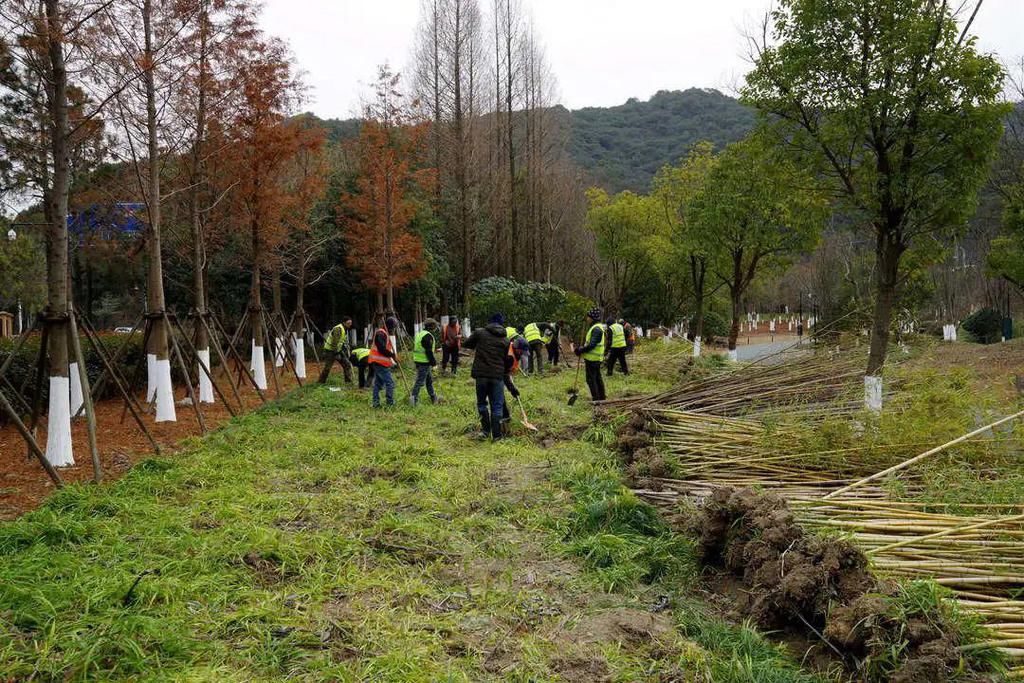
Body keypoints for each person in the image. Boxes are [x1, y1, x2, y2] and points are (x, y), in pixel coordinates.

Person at [464, 313, 510, 440]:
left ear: (490, 322)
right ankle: (496, 436)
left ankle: (485, 431)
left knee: (482, 404)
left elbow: (466, 344)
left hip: (481, 375)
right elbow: (506, 360)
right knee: (497, 405)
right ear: (501, 324)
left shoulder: (480, 333)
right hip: (497, 376)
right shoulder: (506, 340)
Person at [573, 308, 607, 401]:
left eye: (588, 317)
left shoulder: (596, 329)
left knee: (591, 380)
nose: (587, 319)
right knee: (597, 378)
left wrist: (580, 350)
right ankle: (602, 398)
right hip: (594, 359)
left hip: (593, 359)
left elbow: (592, 345)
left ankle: (596, 400)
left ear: (592, 318)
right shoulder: (596, 327)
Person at [369, 316, 399, 408]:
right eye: (394, 327)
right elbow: (381, 349)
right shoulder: (381, 334)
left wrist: (393, 357)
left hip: (381, 363)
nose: (394, 330)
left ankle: (376, 403)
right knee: (390, 383)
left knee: (378, 384)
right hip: (378, 363)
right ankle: (390, 403)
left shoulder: (385, 334)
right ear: (390, 327)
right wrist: (392, 355)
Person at [410, 318, 440, 405]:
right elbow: (428, 352)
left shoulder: (420, 334)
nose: (436, 327)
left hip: (418, 360)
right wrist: (434, 364)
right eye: (435, 326)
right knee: (420, 382)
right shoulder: (427, 336)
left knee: (429, 381)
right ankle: (413, 401)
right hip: (424, 362)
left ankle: (433, 397)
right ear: (431, 326)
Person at [318, 316, 354, 384]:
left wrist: (343, 349)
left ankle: (348, 382)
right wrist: (336, 353)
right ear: (344, 322)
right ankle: (320, 382)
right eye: (348, 323)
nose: (350, 324)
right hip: (330, 351)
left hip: (338, 350)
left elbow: (341, 341)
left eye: (351, 323)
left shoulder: (345, 329)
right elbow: (334, 342)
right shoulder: (338, 329)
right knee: (327, 368)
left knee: (347, 364)